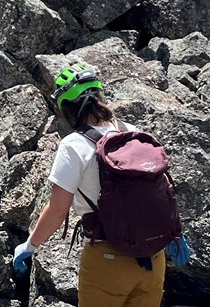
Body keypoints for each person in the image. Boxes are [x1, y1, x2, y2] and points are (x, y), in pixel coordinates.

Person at [12, 61, 167, 307]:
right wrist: (176, 236)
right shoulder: (135, 133)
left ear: (67, 109)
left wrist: (29, 246)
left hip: (108, 261)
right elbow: (162, 189)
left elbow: (57, 209)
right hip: (154, 259)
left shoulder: (74, 145)